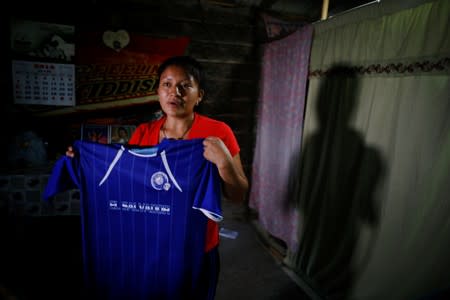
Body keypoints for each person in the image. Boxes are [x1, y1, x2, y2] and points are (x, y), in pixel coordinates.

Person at [66, 55, 248, 298]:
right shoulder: (143, 133)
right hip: (151, 245)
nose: (175, 92)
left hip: (197, 246)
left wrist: (224, 162)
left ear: (199, 95)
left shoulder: (217, 132)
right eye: (167, 84)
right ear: (158, 91)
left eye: (185, 86)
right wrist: (84, 164)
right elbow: (123, 184)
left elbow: (238, 194)